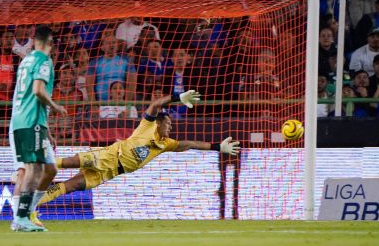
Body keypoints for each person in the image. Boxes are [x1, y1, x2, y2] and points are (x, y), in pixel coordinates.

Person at [34, 90, 241, 213]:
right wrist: (178, 97)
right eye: (168, 123)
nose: (170, 127)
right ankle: (35, 166)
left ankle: (31, 203)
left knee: (73, 186)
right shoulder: (147, 125)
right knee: (69, 162)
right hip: (109, 155)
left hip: (112, 171)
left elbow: (189, 144)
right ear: (159, 122)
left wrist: (217, 147)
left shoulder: (165, 143)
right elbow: (155, 104)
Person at [10, 25, 67, 232]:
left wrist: (47, 129)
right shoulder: (44, 61)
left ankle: (24, 214)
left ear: (34, 41)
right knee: (33, 169)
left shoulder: (26, 60)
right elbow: (38, 91)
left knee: (49, 168)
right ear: (51, 43)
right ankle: (23, 217)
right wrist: (56, 106)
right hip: (30, 121)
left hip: (26, 120)